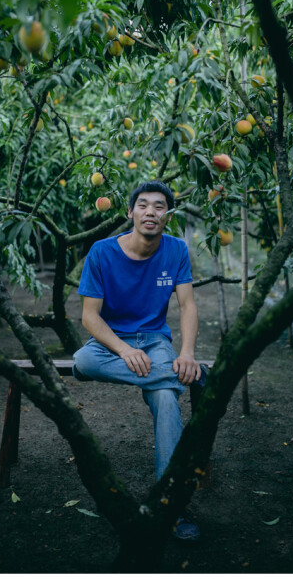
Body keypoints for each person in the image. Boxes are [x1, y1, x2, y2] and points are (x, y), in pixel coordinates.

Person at [73, 179, 206, 541]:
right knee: (83, 361)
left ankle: (171, 504)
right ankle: (178, 376)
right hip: (111, 343)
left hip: (155, 341)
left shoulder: (176, 250)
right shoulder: (101, 252)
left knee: (166, 400)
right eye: (143, 205)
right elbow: (90, 317)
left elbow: (187, 305)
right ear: (130, 212)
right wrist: (124, 350)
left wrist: (188, 353)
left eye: (160, 206)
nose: (151, 212)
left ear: (168, 214)